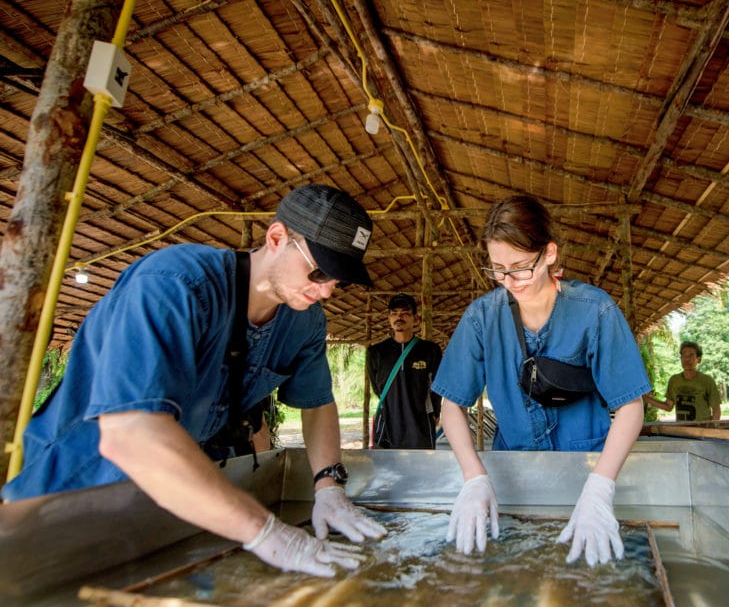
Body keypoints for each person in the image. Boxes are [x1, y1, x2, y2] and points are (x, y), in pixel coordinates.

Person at [1, 183, 387, 577]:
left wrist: (328, 485)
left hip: (171, 507)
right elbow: (130, 436)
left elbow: (317, 402)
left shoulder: (303, 320)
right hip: (67, 500)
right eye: (319, 270)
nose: (324, 291)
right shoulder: (172, 285)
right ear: (276, 238)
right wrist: (268, 532)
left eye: (338, 280)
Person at [431, 194, 652, 567]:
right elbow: (451, 404)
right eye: (498, 269)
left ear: (549, 254)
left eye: (520, 267)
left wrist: (600, 487)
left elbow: (631, 405)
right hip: (512, 471)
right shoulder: (482, 317)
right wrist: (474, 477)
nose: (510, 281)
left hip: (589, 468)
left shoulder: (595, 310)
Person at [366, 293, 442, 449]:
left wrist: (435, 413)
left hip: (420, 424)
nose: (398, 317)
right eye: (394, 313)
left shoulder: (430, 351)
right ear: (389, 318)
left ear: (415, 317)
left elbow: (437, 387)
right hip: (388, 421)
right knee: (385, 470)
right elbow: (377, 387)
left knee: (422, 469)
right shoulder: (376, 352)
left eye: (405, 313)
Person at [643, 341, 721, 422]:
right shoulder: (674, 380)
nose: (687, 359)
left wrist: (711, 430)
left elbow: (716, 410)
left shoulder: (707, 381)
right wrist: (646, 398)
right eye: (684, 355)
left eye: (691, 355)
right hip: (681, 430)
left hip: (702, 431)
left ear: (699, 359)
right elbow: (668, 406)